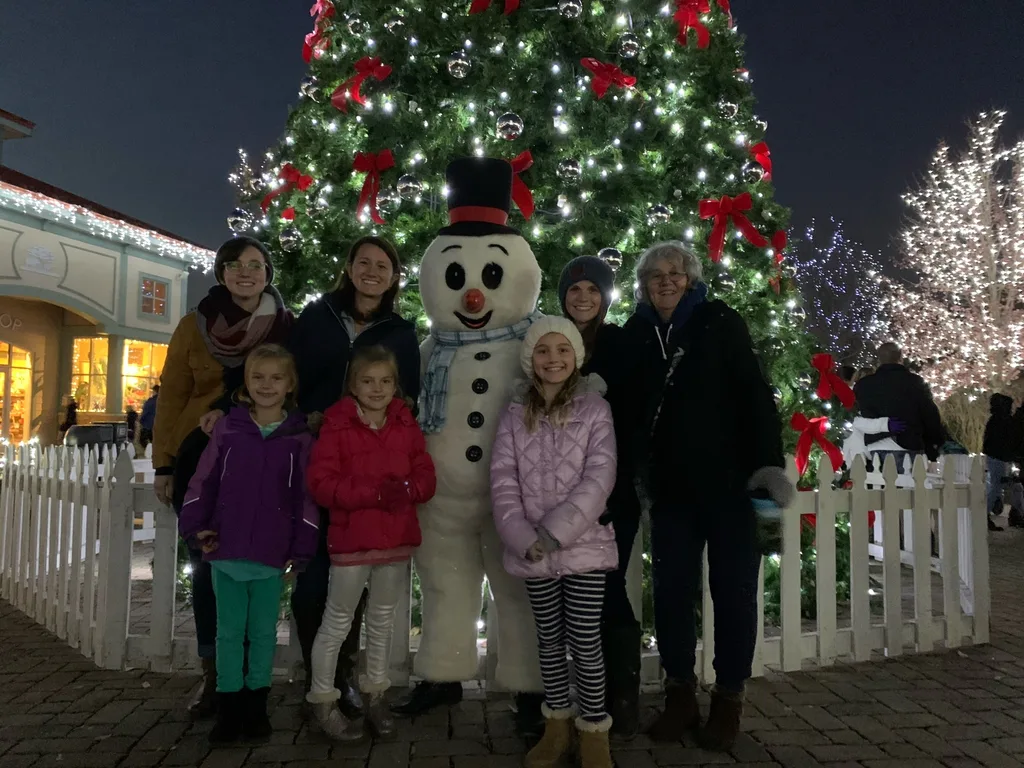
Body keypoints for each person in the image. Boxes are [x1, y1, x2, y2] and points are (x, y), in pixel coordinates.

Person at [622, 242, 793, 751]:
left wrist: (766, 466)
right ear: (644, 285)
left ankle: (728, 698)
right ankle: (679, 694)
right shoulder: (636, 333)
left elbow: (755, 394)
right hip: (672, 491)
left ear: (691, 280)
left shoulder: (719, 322)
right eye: (655, 275)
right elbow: (628, 406)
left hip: (728, 487)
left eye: (675, 273)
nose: (665, 281)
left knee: (733, 593)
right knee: (672, 593)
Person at [152, 236, 292, 718]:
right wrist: (164, 462)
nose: (245, 272)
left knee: (257, 572)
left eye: (255, 264)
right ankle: (214, 674)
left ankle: (252, 677)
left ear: (268, 272)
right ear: (221, 272)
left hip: (259, 460)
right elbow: (172, 393)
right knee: (208, 568)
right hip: (199, 457)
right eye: (234, 264)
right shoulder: (195, 325)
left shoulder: (285, 325)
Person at [288, 236, 420, 721]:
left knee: (359, 585)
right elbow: (290, 379)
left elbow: (408, 398)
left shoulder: (400, 332)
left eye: (383, 265)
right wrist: (308, 420)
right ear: (348, 267)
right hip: (316, 455)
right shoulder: (317, 316)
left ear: (394, 276)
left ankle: (344, 680)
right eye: (363, 262)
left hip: (370, 470)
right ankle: (320, 682)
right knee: (314, 584)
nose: (372, 271)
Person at [492, 317, 618, 768]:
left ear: (576, 357)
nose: (553, 359)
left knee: (584, 639)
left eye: (562, 350)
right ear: (531, 358)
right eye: (543, 350)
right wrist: (522, 536)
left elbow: (600, 476)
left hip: (584, 548)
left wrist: (555, 531)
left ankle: (594, 731)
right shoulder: (514, 413)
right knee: (548, 639)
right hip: (532, 552)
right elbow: (503, 479)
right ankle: (557, 726)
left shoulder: (594, 409)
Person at [178, 344, 319, 745]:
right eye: (258, 377)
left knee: (262, 633)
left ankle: (256, 707)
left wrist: (302, 546)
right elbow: (204, 480)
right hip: (226, 548)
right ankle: (229, 708)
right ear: (246, 382)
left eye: (276, 377)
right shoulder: (228, 428)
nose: (267, 385)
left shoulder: (299, 437)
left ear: (290, 384)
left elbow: (306, 498)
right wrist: (196, 526)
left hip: (272, 552)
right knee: (228, 632)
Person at [304, 346, 436, 742]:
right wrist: (374, 494)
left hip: (395, 540)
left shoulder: (405, 424)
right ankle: (323, 700)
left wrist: (408, 489)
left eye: (385, 381)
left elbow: (426, 475)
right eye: (367, 381)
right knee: (337, 622)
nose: (377, 389)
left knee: (381, 621)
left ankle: (376, 694)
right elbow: (322, 483)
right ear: (353, 385)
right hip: (353, 541)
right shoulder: (337, 424)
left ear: (396, 386)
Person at [557, 256, 642, 738]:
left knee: (608, 590)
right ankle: (574, 695)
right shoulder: (550, 342)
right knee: (564, 598)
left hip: (612, 495)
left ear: (606, 298)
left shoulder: (620, 344)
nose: (584, 297)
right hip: (555, 494)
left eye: (593, 290)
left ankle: (621, 698)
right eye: (575, 289)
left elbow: (631, 420)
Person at [853, 343, 946, 465]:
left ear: (879, 359)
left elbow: (857, 416)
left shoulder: (863, 385)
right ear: (900, 357)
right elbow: (929, 415)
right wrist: (935, 441)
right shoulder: (915, 382)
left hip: (875, 445)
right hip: (909, 442)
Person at [983, 393, 1017, 528]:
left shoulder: (994, 420)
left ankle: (988, 512)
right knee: (996, 487)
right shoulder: (1003, 420)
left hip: (995, 456)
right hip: (999, 456)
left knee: (996, 486)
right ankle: (985, 513)